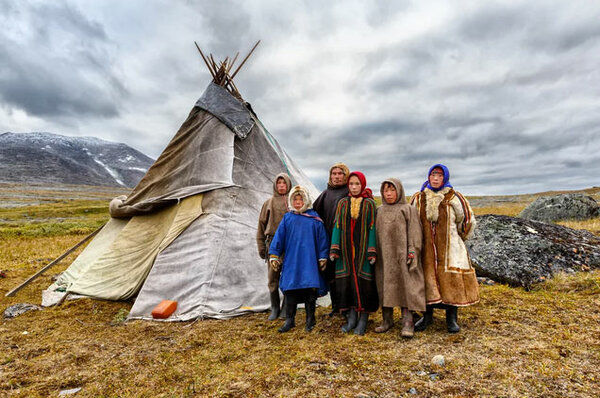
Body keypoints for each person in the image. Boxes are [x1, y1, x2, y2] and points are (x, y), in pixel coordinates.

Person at [410, 164, 479, 333]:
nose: (435, 178)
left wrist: (457, 239)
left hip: (450, 248)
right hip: (425, 248)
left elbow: (467, 221)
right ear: (428, 177)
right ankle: (427, 317)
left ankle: (451, 318)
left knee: (451, 280)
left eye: (439, 175)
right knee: (426, 280)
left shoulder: (454, 197)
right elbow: (411, 221)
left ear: (445, 178)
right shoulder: (418, 198)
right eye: (432, 175)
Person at [269, 186, 329, 333]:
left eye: (300, 199)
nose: (297, 202)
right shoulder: (288, 218)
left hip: (309, 262)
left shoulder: (314, 219)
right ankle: (290, 320)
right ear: (291, 201)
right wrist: (274, 254)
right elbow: (279, 238)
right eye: (295, 199)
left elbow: (322, 240)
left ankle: (310, 319)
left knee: (309, 290)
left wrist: (323, 256)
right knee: (290, 290)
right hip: (292, 261)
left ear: (306, 200)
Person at [330, 171, 378, 335]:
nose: (354, 187)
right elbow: (337, 226)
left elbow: (372, 228)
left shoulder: (369, 204)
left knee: (364, 283)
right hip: (345, 252)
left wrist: (372, 251)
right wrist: (334, 248)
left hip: (363, 252)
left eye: (357, 184)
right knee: (346, 283)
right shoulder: (343, 203)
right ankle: (351, 317)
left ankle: (363, 318)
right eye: (351, 184)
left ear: (362, 184)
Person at [375, 178, 425, 338]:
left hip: (402, 255)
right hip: (384, 256)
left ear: (399, 191)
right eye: (385, 190)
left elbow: (415, 232)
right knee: (384, 285)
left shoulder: (408, 209)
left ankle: (408, 321)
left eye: (392, 190)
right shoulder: (380, 210)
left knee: (406, 286)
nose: (389, 194)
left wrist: (412, 250)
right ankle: (387, 319)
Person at [312, 162, 350, 315]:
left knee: (345, 274)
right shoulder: (325, 194)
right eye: (334, 174)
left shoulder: (349, 192)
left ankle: (346, 307)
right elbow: (314, 213)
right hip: (329, 240)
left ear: (345, 175)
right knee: (332, 274)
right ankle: (335, 306)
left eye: (340, 173)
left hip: (346, 240)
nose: (336, 176)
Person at [257, 173, 291, 320]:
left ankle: (286, 308)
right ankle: (275, 308)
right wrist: (261, 246)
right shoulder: (269, 203)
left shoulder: (293, 202)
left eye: (284, 183)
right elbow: (261, 226)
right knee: (273, 277)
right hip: (273, 243)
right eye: (279, 183)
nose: (281, 186)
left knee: (289, 276)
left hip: (290, 244)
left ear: (288, 185)